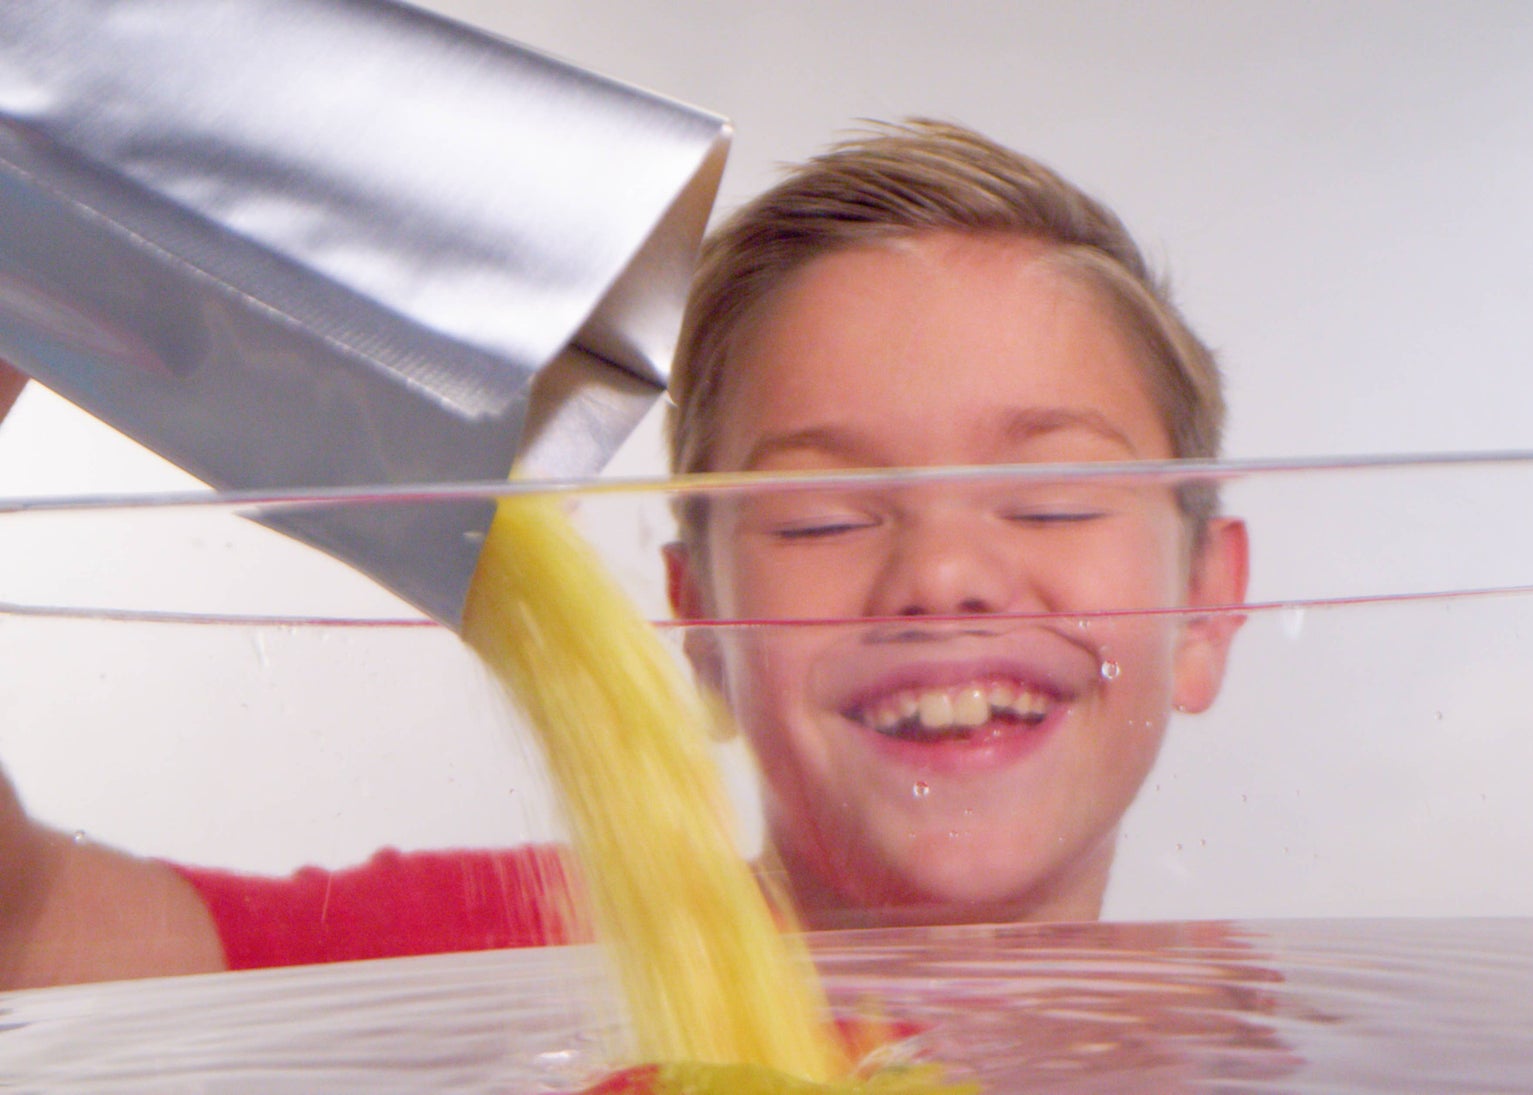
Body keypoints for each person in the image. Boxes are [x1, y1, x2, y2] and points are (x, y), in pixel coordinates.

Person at [0, 119, 1247, 987]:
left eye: (1050, 501)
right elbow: (32, 934)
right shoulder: (533, 955)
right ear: (699, 626)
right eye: (818, 515)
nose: (941, 576)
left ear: (1204, 606)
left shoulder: (1285, 1034)